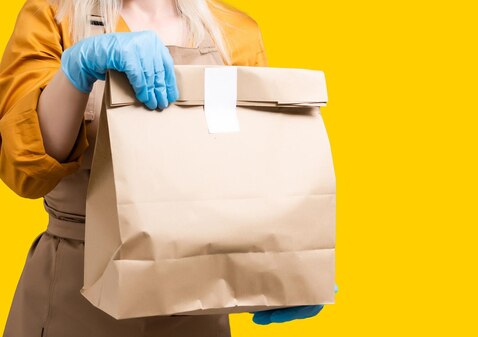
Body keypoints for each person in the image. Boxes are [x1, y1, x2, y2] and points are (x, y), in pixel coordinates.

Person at [0, 0, 326, 336]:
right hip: (73, 293)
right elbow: (26, 170)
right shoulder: (54, 17)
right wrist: (78, 72)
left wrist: (285, 267)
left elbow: (251, 183)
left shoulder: (236, 33)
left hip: (196, 300)